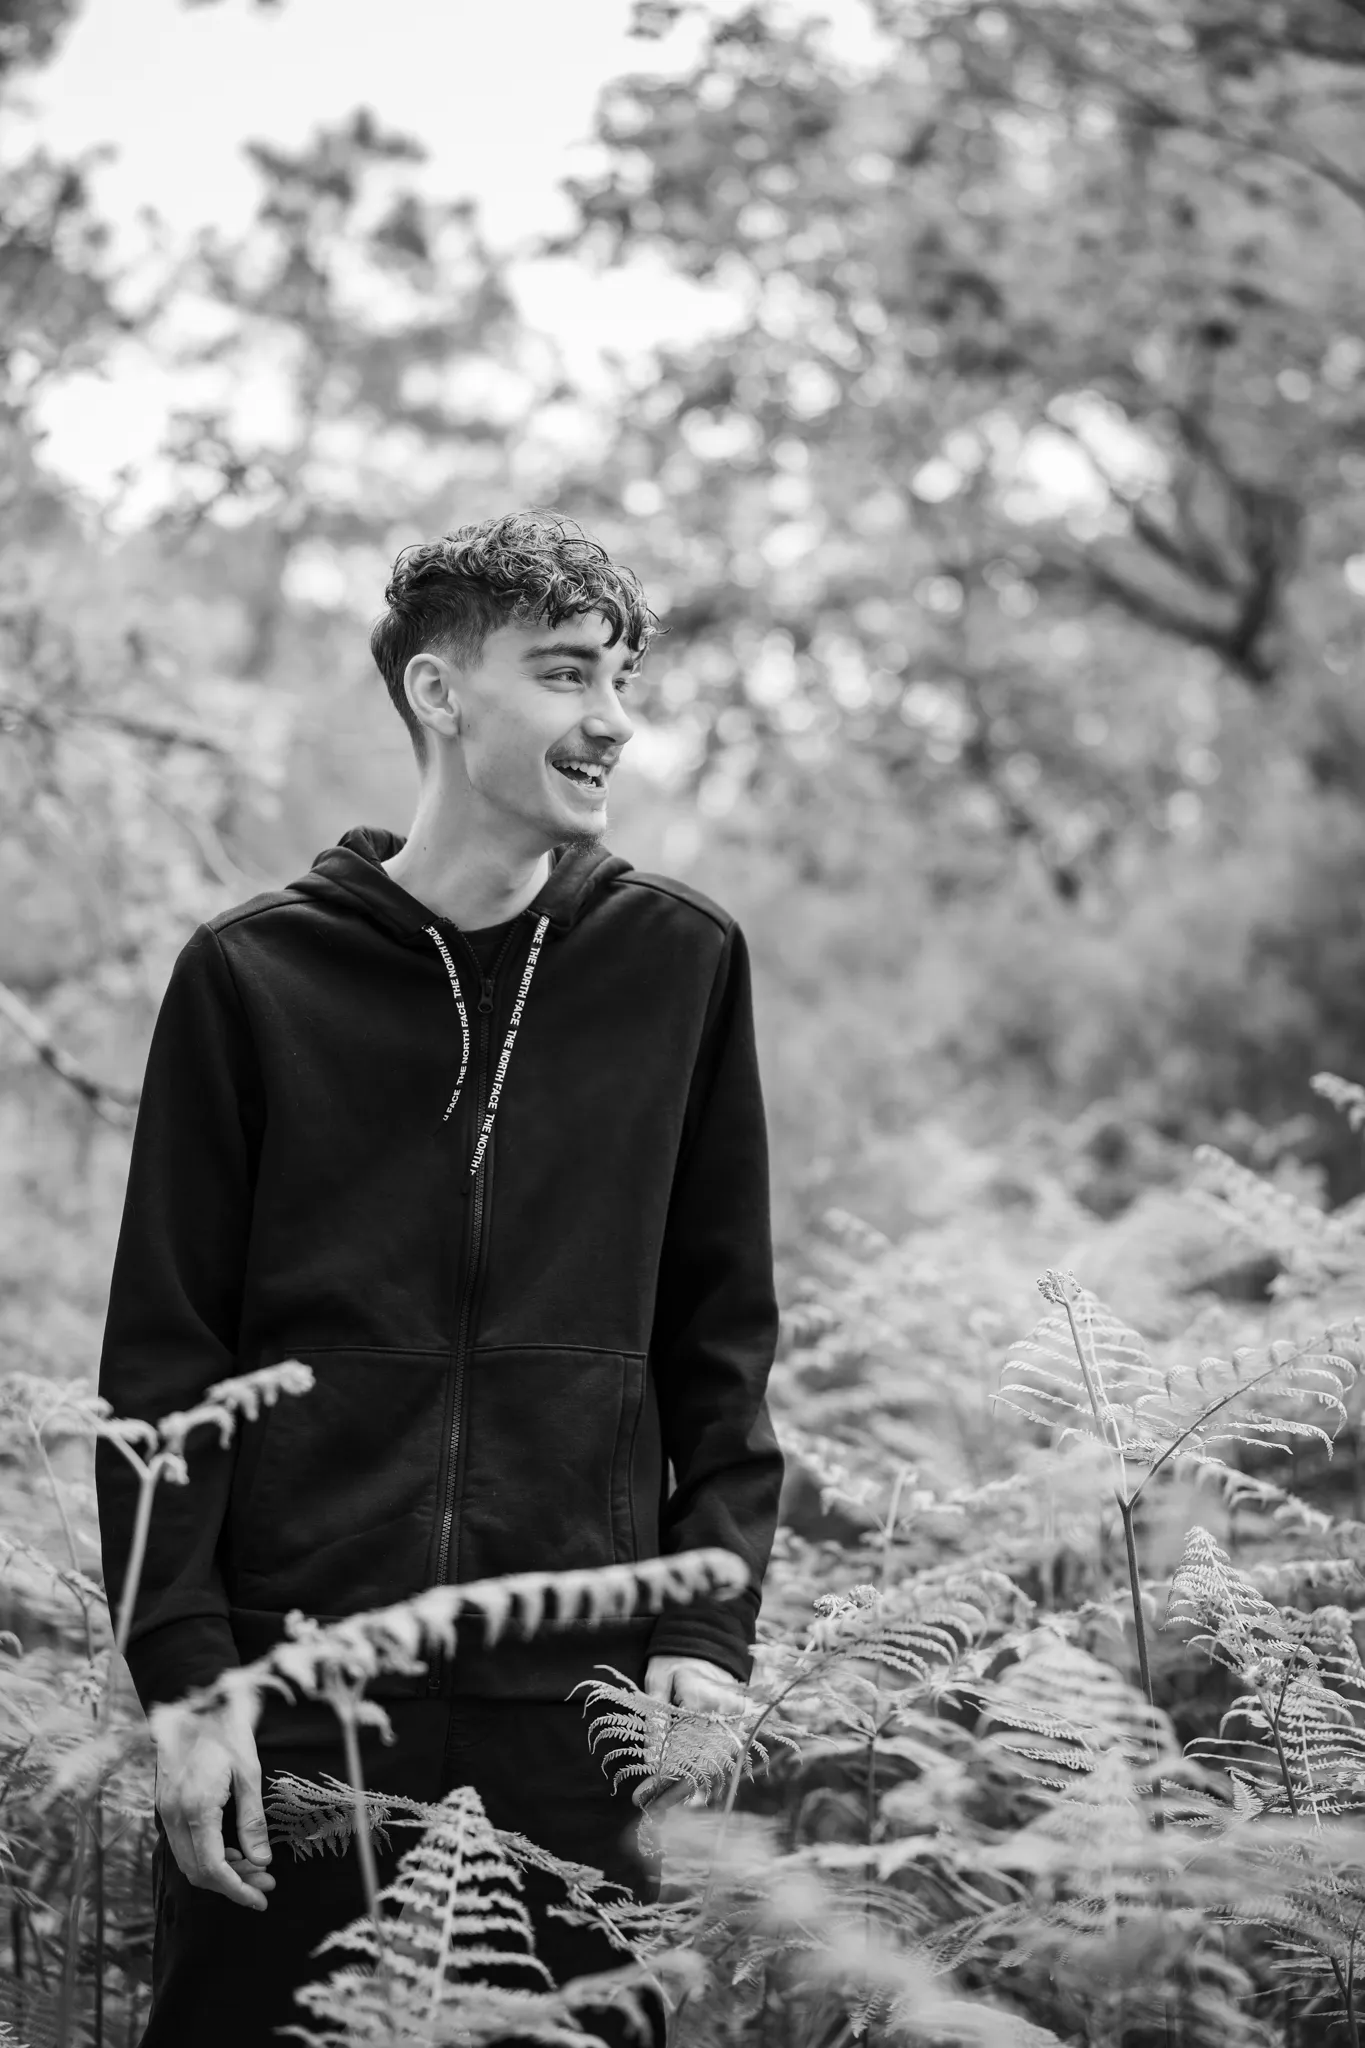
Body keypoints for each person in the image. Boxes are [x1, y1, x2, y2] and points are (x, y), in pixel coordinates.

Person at [96, 512, 784, 2043]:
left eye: (619, 679)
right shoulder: (252, 977)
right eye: (564, 675)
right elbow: (165, 1368)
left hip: (579, 1722)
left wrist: (704, 1634)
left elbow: (719, 1338)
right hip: (301, 1710)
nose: (613, 721)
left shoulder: (679, 966)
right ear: (438, 692)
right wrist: (190, 1683)